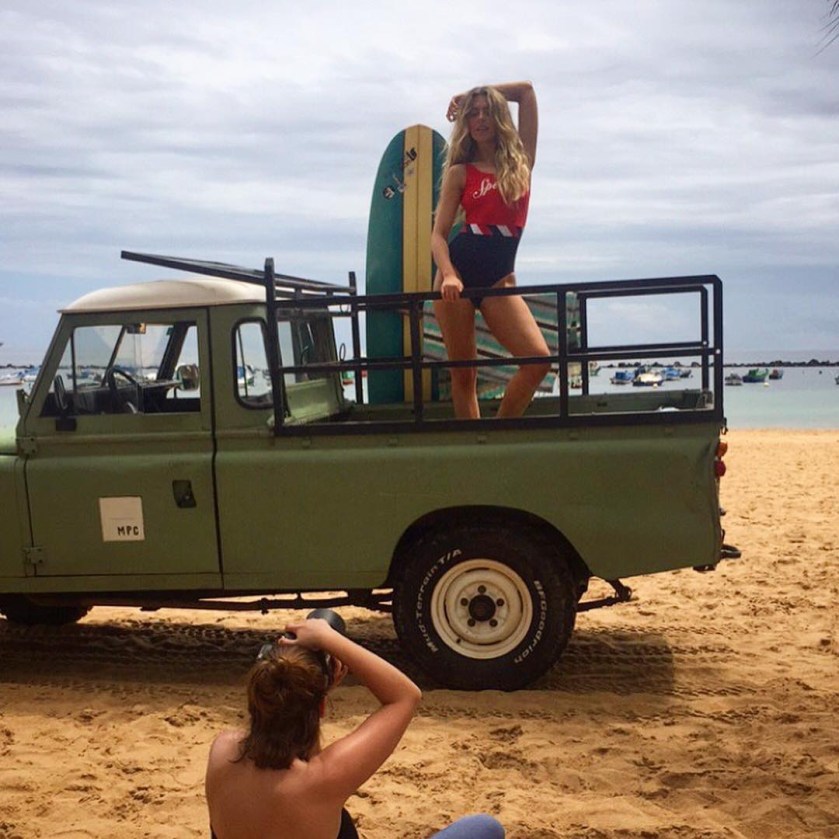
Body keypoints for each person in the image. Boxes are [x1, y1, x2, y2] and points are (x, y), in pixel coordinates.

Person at [205, 616, 505, 839]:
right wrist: (327, 638)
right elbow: (405, 696)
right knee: (484, 828)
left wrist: (315, 693)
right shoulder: (323, 780)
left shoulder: (222, 752)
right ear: (321, 707)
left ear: (257, 700)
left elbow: (283, 752)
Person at [431, 81, 551, 419]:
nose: (480, 118)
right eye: (472, 113)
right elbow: (438, 236)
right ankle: (474, 446)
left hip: (499, 279)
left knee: (538, 361)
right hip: (457, 278)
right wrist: (449, 275)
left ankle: (498, 436)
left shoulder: (521, 163)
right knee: (464, 375)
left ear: (499, 116)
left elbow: (526, 92)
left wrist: (468, 94)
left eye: (487, 111)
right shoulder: (460, 173)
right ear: (466, 123)